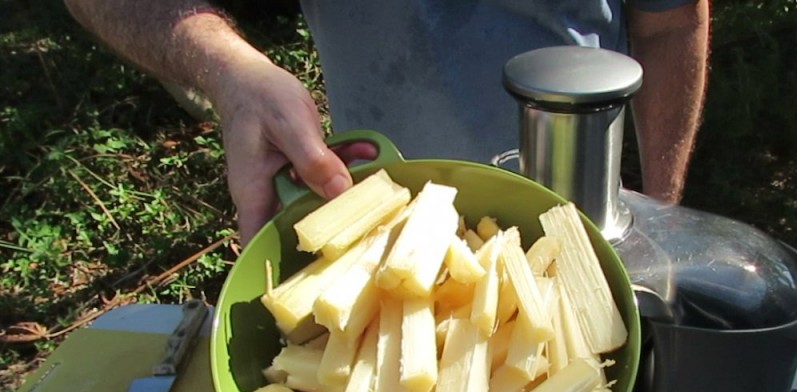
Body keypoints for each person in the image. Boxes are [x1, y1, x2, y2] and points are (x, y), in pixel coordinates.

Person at [64, 1, 710, 246]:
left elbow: (672, 21)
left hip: (584, 204)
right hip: (381, 224)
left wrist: (658, 212)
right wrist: (228, 69)